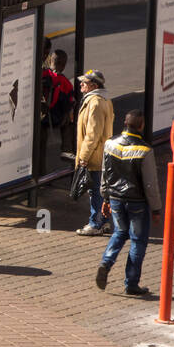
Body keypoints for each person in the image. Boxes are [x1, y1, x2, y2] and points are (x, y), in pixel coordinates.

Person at [96, 110, 163, 296]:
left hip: (116, 199)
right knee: (138, 240)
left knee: (119, 232)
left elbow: (105, 173)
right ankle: (131, 283)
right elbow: (150, 184)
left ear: (124, 123)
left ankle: (106, 262)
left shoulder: (110, 144)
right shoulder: (145, 150)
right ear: (141, 126)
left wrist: (105, 197)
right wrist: (156, 208)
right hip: (137, 203)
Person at [74, 69, 115, 236]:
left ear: (93, 85)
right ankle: (103, 222)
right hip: (100, 154)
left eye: (84, 82)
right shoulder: (102, 100)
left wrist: (83, 157)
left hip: (95, 156)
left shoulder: (96, 103)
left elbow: (92, 134)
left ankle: (95, 224)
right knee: (100, 190)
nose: (81, 84)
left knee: (95, 191)